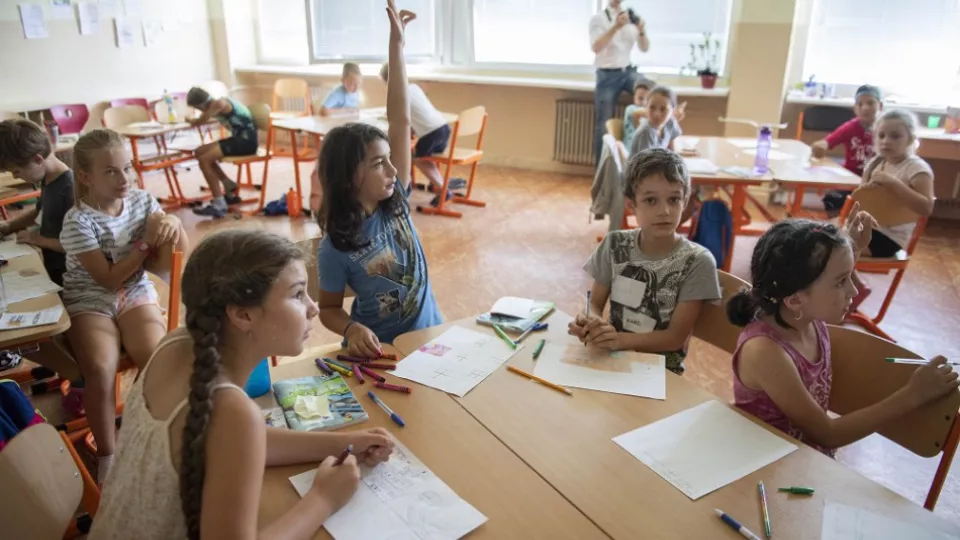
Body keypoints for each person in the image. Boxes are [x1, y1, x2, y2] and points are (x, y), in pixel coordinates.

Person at [87, 229, 395, 540]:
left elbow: (241, 442)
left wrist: (344, 444)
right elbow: (237, 434)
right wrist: (323, 499)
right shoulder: (232, 412)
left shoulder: (173, 346)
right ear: (243, 315)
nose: (313, 308)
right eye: (297, 294)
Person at [727, 214, 957, 457]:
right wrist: (913, 395)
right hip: (768, 466)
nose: (854, 290)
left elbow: (816, 280)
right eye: (841, 282)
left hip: (807, 463)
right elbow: (827, 434)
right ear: (795, 300)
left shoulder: (805, 316)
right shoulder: (765, 351)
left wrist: (851, 247)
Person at [59, 129, 187, 482]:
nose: (125, 178)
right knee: (101, 369)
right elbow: (107, 279)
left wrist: (174, 224)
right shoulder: (77, 220)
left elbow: (175, 257)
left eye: (127, 168)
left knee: (158, 357)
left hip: (135, 292)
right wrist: (145, 242)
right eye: (111, 171)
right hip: (89, 298)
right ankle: (107, 457)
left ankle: (164, 440)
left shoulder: (144, 202)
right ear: (85, 177)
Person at [316, 2, 441, 358]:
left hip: (429, 337)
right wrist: (352, 328)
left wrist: (397, 48)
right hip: (381, 354)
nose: (394, 170)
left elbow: (400, 120)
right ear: (348, 177)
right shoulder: (335, 247)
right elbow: (328, 309)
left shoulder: (395, 202)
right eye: (378, 164)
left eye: (389, 159)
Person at [569, 148, 721, 375]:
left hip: (662, 373)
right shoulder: (614, 245)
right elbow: (596, 303)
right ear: (631, 205)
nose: (665, 211)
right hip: (611, 360)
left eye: (674, 199)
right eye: (651, 200)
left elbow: (674, 339)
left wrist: (616, 340)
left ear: (685, 201)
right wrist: (592, 322)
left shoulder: (697, 262)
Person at [848, 108, 935, 311]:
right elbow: (864, 201)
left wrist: (893, 184)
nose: (887, 141)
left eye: (895, 136)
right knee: (823, 241)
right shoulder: (876, 164)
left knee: (834, 249)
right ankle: (854, 288)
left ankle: (851, 290)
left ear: (910, 138)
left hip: (890, 237)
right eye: (882, 135)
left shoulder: (916, 168)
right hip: (868, 228)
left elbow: (926, 206)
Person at [0, 119, 74, 286]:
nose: (15, 177)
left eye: (16, 171)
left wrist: (39, 239)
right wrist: (9, 226)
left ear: (38, 159)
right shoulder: (48, 178)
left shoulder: (71, 189)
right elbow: (39, 210)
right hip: (52, 267)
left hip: (71, 277)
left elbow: (83, 246)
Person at [379, 62, 464, 206]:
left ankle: (444, 189)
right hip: (443, 129)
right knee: (425, 156)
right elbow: (415, 115)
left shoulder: (398, 94)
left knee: (417, 159)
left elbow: (398, 121)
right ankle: (439, 183)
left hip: (431, 133)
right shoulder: (414, 87)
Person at [589, 0, 650, 165]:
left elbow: (644, 48)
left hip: (628, 72)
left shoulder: (630, 17)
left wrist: (642, 30)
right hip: (607, 75)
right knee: (603, 123)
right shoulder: (599, 19)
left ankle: (646, 161)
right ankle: (601, 171)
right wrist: (615, 27)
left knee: (653, 93)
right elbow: (596, 47)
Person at [185, 87, 258, 218]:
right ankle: (228, 184)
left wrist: (191, 120)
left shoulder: (218, 104)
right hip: (239, 138)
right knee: (199, 152)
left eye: (197, 108)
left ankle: (219, 205)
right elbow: (203, 118)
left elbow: (201, 120)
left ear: (200, 105)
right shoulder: (217, 104)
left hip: (246, 142)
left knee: (204, 160)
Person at [812, 84, 882, 214]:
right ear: (855, 108)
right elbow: (827, 142)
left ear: (880, 106)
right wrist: (820, 146)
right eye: (860, 104)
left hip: (877, 181)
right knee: (832, 198)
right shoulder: (850, 127)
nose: (865, 108)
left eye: (870, 103)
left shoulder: (885, 128)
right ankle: (838, 228)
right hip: (851, 178)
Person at [623, 79, 686, 151]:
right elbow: (637, 113)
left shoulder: (668, 122)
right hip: (629, 150)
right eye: (640, 98)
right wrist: (668, 113)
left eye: (646, 99)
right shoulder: (631, 109)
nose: (657, 114)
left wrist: (669, 115)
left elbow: (672, 147)